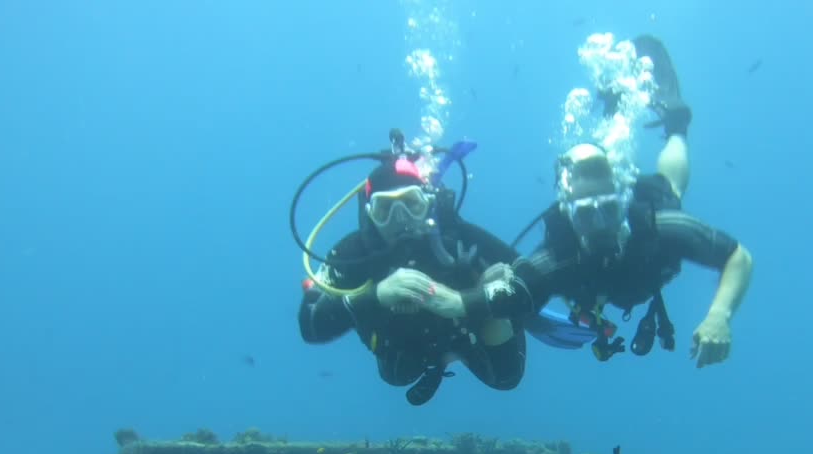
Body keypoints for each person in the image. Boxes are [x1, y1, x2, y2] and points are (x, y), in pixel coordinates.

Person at [421, 35, 754, 368]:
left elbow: (737, 256)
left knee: (671, 189)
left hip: (644, 251)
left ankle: (675, 124)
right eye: (584, 215)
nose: (598, 225)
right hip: (622, 284)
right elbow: (503, 293)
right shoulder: (555, 258)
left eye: (608, 209)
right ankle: (616, 110)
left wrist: (719, 316)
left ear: (623, 200)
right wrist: (458, 299)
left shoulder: (658, 226)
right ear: (567, 213)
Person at [296, 133, 536, 406]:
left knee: (506, 379)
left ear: (428, 203)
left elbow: (533, 278)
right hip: (404, 348)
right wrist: (376, 296)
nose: (400, 219)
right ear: (369, 213)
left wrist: (467, 302)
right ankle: (435, 365)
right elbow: (310, 326)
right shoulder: (354, 253)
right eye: (384, 209)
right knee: (395, 377)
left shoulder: (457, 237)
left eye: (411, 204)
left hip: (468, 331)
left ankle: (475, 326)